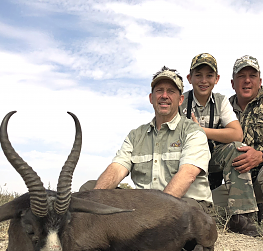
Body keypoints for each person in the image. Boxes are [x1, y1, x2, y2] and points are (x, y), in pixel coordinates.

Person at [80, 66, 213, 210]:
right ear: (151, 98)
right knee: (90, 190)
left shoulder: (193, 131)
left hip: (186, 204)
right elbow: (117, 169)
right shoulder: (135, 135)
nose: (164, 95)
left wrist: (154, 213)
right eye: (159, 90)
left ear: (181, 99)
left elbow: (187, 175)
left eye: (171, 91)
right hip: (145, 206)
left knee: (184, 213)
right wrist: (94, 202)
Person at [179, 53, 260, 237]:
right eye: (198, 75)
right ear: (190, 78)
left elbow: (236, 133)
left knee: (236, 148)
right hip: (185, 162)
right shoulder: (181, 102)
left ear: (217, 79)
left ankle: (242, 218)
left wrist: (201, 131)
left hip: (211, 160)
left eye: (209, 75)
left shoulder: (221, 101)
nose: (204, 80)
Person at [213, 55, 263, 236]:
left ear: (260, 81)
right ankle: (249, 215)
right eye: (241, 76)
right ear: (232, 82)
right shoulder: (223, 109)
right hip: (236, 187)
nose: (247, 80)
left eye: (252, 76)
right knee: (205, 207)